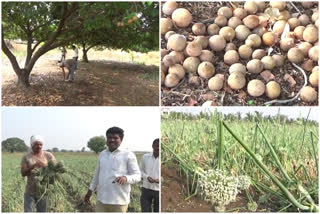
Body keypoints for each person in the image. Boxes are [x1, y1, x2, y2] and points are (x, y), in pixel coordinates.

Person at [84, 127, 141, 212]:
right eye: (109, 137)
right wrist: (89, 192)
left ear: (121, 139)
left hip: (119, 202)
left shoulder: (128, 155)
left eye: (115, 138)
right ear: (106, 139)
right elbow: (97, 175)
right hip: (101, 200)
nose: (112, 140)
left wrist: (126, 178)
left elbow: (137, 176)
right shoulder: (102, 154)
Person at [21, 135, 56, 212]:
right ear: (32, 145)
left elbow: (55, 169)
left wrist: (44, 165)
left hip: (43, 192)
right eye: (36, 144)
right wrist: (32, 166)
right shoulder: (26, 157)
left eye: (41, 144)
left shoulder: (48, 155)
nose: (39, 146)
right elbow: (23, 173)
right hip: (30, 191)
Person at [140, 138, 160, 212]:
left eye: (160, 146)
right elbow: (140, 171)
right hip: (146, 188)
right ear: (152, 146)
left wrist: (160, 180)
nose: (158, 148)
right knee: (145, 210)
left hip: (158, 190)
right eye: (156, 146)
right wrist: (147, 177)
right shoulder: (145, 157)